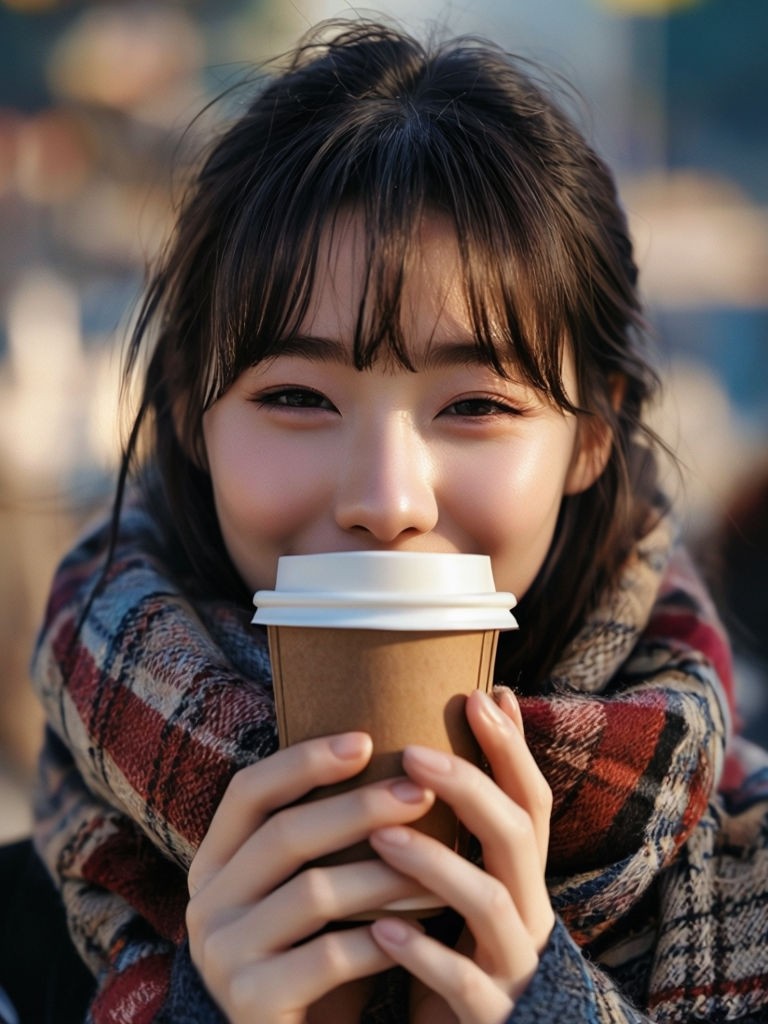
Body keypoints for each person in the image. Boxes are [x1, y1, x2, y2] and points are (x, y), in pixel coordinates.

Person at [26, 17, 768, 1024]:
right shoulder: (32, 928)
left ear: (592, 437)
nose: (386, 499)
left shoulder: (749, 881)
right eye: (295, 396)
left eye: (476, 405)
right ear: (191, 423)